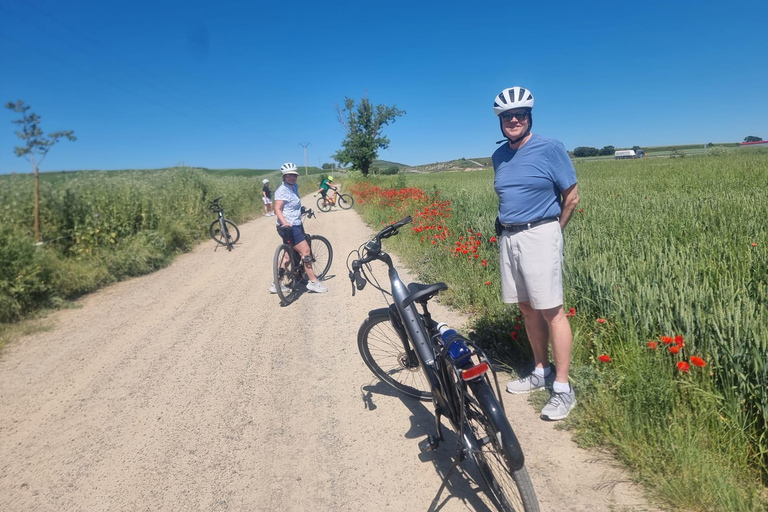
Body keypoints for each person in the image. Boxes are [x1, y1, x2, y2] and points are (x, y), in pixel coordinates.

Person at [491, 86, 580, 421]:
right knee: (528, 309)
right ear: (500, 122)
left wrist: (554, 231)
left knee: (551, 310)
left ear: (529, 118)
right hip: (509, 237)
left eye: (520, 115)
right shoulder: (499, 156)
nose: (513, 120)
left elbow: (570, 196)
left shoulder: (549, 148)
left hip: (541, 233)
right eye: (507, 117)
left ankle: (562, 388)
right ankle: (540, 371)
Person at [270, 162, 328, 294]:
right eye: (288, 175)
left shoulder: (294, 187)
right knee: (306, 252)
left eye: (293, 175)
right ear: (284, 177)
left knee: (287, 257)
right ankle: (313, 282)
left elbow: (291, 206)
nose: (291, 178)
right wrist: (285, 222)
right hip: (289, 227)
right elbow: (277, 209)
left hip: (296, 223)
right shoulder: (282, 190)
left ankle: (276, 284)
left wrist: (300, 210)